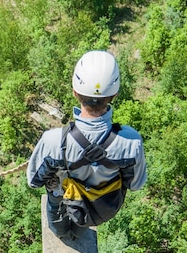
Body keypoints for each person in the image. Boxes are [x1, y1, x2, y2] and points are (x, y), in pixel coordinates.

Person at [27, 50, 147, 240]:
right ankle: (77, 233)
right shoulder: (131, 141)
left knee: (59, 228)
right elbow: (135, 184)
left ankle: (63, 235)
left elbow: (34, 181)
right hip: (100, 206)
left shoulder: (53, 141)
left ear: (75, 92)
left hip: (63, 198)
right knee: (84, 222)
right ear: (114, 95)